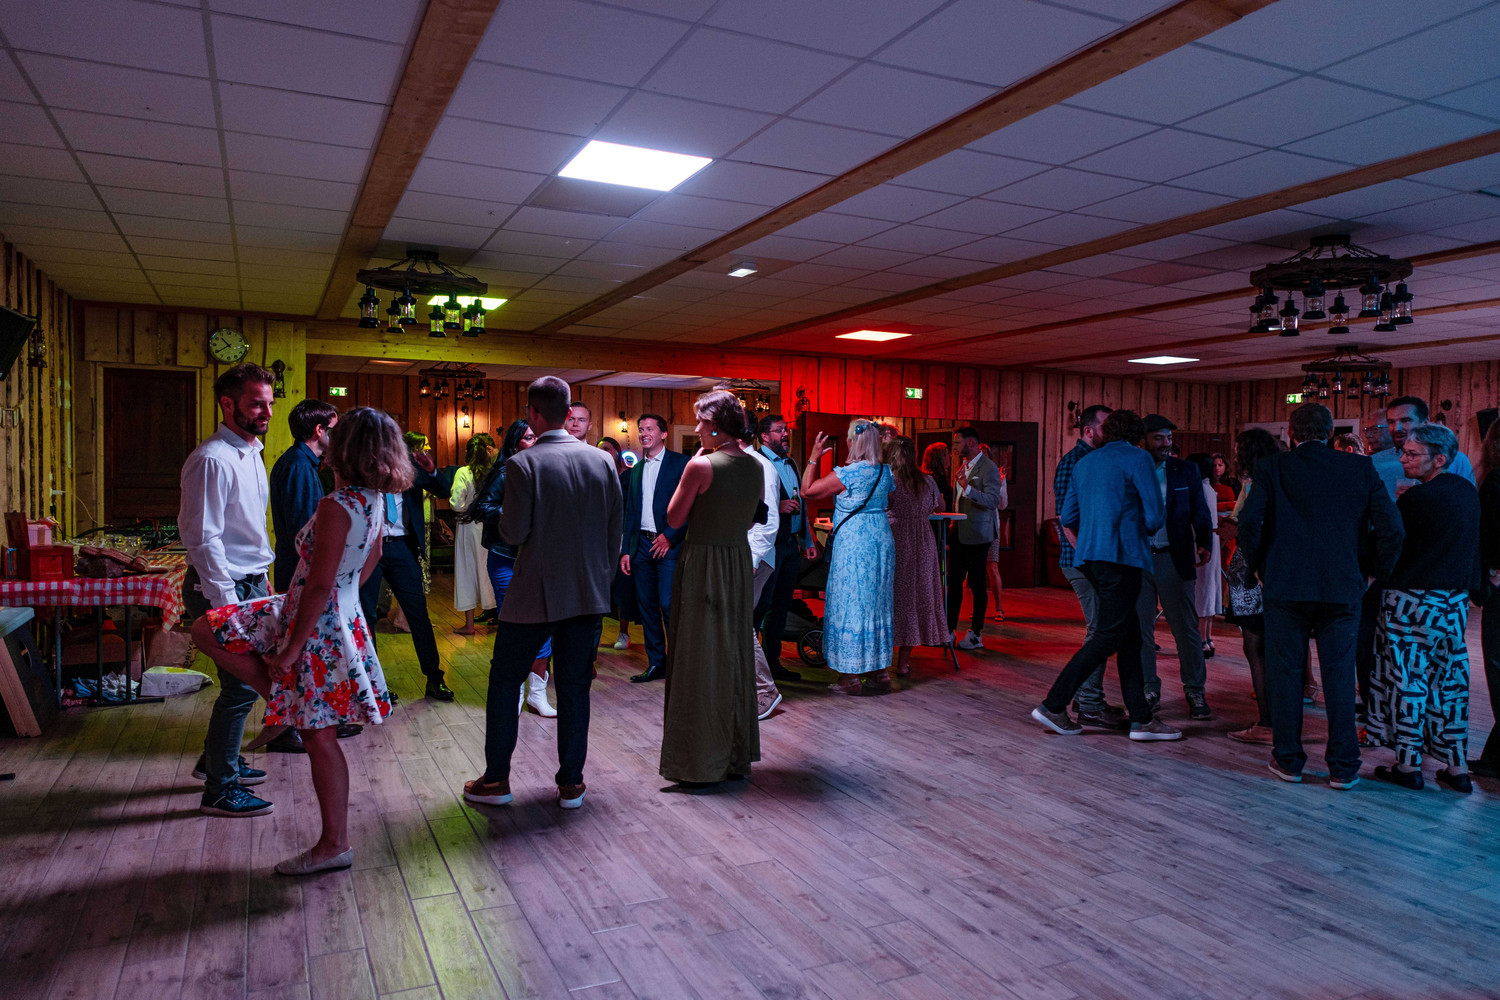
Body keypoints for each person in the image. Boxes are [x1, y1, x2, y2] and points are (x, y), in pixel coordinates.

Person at [190, 407, 406, 874]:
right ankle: (282, 697)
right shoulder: (374, 499)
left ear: (345, 447)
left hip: (316, 620)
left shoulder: (337, 505)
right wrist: (344, 599)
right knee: (208, 628)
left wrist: (290, 650)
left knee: (318, 738)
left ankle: (334, 844)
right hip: (330, 613)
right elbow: (372, 557)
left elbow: (320, 584)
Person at [463, 377, 622, 811]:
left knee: (504, 681)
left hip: (534, 591)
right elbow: (615, 528)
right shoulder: (602, 461)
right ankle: (571, 784)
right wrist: (602, 579)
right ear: (568, 413)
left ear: (533, 413)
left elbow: (514, 532)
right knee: (575, 686)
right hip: (587, 592)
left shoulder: (523, 463)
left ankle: (497, 780)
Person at [1238, 402, 1404, 789]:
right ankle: (1344, 767)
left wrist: (1260, 565)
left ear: (1291, 433)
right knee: (1340, 676)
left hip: (1286, 584)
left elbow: (1248, 522)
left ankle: (1289, 760)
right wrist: (1373, 572)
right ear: (1330, 433)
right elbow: (1392, 528)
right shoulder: (1360, 468)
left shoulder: (1273, 467)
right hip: (1342, 585)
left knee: (1286, 673)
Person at [1030, 410, 1179, 742]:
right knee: (1108, 636)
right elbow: (1155, 515)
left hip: (1090, 557)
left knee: (1129, 637)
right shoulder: (1138, 458)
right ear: (1137, 435)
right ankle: (1053, 704)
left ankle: (1141, 719)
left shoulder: (1085, 463)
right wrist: (1139, 528)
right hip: (1124, 556)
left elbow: (1067, 516)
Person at [180, 362, 277, 817]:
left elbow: (248, 529)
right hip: (220, 587)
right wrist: (228, 607)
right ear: (227, 404)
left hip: (250, 581)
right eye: (257, 404)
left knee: (242, 685)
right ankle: (219, 789)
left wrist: (263, 578)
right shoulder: (212, 459)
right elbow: (204, 539)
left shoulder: (252, 451)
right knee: (240, 687)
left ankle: (216, 760)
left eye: (270, 403)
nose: (267, 413)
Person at [1367, 423, 1481, 793]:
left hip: (1410, 601)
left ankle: (1408, 764)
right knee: (1450, 682)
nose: (1403, 459)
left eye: (1413, 454)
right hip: (1454, 601)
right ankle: (1457, 767)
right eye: (1405, 452)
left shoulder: (1417, 499)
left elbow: (1388, 546)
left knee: (1406, 680)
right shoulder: (1466, 491)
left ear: (1440, 458)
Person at [659, 392, 766, 785]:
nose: (698, 428)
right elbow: (752, 518)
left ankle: (699, 761)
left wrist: (693, 468)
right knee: (732, 653)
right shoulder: (755, 466)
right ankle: (733, 755)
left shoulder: (701, 465)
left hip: (704, 562)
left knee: (698, 657)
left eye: (702, 422)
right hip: (736, 561)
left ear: (717, 426)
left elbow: (673, 518)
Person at [357, 429, 453, 701]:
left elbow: (443, 490)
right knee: (367, 616)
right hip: (369, 550)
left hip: (402, 548)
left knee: (418, 615)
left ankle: (434, 679)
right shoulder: (361, 468)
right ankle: (374, 685)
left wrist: (432, 471)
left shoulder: (409, 466)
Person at [801, 419, 895, 695]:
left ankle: (851, 677)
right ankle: (880, 673)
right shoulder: (885, 472)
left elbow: (807, 491)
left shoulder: (849, 474)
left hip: (855, 542)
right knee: (877, 603)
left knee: (851, 601)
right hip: (880, 539)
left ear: (854, 441)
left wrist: (814, 457)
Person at [468, 419, 555, 716]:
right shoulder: (505, 471)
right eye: (528, 437)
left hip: (541, 559)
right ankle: (514, 691)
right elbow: (481, 508)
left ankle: (537, 695)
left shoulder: (548, 469)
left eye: (537, 437)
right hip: (507, 558)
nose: (534, 441)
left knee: (544, 624)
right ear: (516, 443)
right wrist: (516, 511)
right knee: (514, 625)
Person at [1133, 415, 1214, 720]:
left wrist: (1204, 541)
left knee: (1185, 629)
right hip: (1137, 558)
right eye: (1159, 438)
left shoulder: (1186, 470)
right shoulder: (1131, 468)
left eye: (1169, 438)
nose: (1166, 443)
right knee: (1140, 630)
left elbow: (1200, 510)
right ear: (1143, 441)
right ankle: (1148, 688)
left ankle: (1195, 690)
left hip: (1173, 556)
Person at [1055, 405, 1129, 728]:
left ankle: (1086, 697)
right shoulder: (1074, 462)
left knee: (1102, 628)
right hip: (1081, 560)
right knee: (1100, 629)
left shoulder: (1099, 459)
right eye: (1105, 426)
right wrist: (1088, 556)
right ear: (1088, 431)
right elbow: (1066, 518)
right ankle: (1088, 703)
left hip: (1092, 558)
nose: (1111, 432)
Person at [1221, 429, 1283, 744]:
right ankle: (1282, 720)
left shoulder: (1254, 481)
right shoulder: (1285, 476)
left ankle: (1267, 723)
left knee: (1255, 645)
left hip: (1251, 567)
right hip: (1281, 565)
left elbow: (1245, 524)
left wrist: (1227, 529)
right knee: (1277, 645)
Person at [622, 413, 689, 683]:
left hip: (669, 545)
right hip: (641, 546)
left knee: (669, 604)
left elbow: (690, 506)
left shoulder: (680, 464)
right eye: (641, 429)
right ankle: (657, 664)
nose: (644, 433)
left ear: (663, 433)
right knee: (647, 607)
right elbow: (630, 512)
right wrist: (626, 550)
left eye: (650, 429)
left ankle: (680, 665)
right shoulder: (636, 469)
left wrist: (670, 536)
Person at [754, 414, 817, 683]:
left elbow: (802, 503)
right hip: (769, 545)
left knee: (781, 606)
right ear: (764, 436)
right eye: (779, 430)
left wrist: (808, 539)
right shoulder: (757, 462)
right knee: (761, 605)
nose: (785, 434)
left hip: (791, 544)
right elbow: (749, 502)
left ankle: (773, 663)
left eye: (786, 429)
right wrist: (776, 507)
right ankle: (752, 665)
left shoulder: (791, 463)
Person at [886, 436, 948, 678]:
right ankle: (903, 663)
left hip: (896, 538)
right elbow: (940, 506)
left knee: (894, 597)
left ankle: (881, 662)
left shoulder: (889, 480)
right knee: (915, 598)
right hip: (923, 540)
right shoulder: (927, 480)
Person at [268, 399, 336, 592]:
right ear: (319, 430)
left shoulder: (301, 462)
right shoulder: (299, 466)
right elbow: (303, 530)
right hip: (300, 575)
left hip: (299, 572)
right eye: (334, 431)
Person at [742, 422, 784, 720]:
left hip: (753, 557)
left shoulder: (760, 466)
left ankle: (765, 690)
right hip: (735, 554)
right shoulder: (734, 463)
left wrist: (753, 558)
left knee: (737, 622)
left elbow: (768, 521)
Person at [947, 427, 1003, 651]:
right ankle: (948, 631)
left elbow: (992, 501)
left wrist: (967, 489)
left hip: (979, 535)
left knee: (977, 584)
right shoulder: (963, 466)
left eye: (957, 442)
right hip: (958, 532)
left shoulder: (989, 468)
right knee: (954, 583)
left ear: (970, 443)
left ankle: (976, 633)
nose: (954, 446)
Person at [1473, 421, 1500, 780]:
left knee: (1497, 668)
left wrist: (1493, 570)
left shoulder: (1495, 481)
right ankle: (1493, 759)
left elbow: (1490, 534)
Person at [450, 433, 498, 635]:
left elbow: (456, 503)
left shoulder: (464, 472)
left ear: (468, 453)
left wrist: (467, 508)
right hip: (491, 526)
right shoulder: (495, 472)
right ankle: (499, 618)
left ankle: (469, 625)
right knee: (492, 571)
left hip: (468, 527)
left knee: (466, 571)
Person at [597, 437, 636, 649]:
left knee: (622, 590)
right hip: (600, 540)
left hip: (623, 538)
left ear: (617, 452)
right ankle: (595, 636)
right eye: (600, 449)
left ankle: (623, 633)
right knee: (600, 590)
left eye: (607, 449)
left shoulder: (629, 476)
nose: (604, 452)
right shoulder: (597, 475)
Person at [1387, 396, 1474, 487]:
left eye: (1405, 420)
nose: (1396, 428)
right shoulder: (1379, 460)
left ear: (1425, 422)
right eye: (1391, 422)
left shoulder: (1456, 459)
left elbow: (1467, 493)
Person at [1185, 452, 1223, 660]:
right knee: (1208, 588)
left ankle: (1201, 639)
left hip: (1200, 543)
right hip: (1211, 542)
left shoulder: (1199, 489)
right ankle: (1207, 638)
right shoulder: (1210, 489)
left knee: (1201, 590)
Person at [981, 445, 1010, 622]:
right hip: (973, 526)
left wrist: (1000, 483)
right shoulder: (969, 473)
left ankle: (999, 608)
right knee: (976, 569)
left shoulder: (995, 476)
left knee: (992, 566)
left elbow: (1002, 505)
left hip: (991, 525)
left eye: (985, 456)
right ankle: (979, 609)